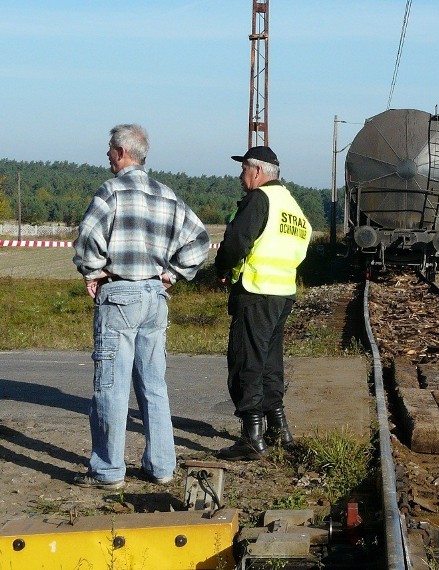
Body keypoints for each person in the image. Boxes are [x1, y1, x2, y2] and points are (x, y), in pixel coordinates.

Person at [72, 124, 210, 490]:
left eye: (109, 150)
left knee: (111, 385)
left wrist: (93, 272)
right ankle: (162, 466)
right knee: (153, 384)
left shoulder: (111, 191)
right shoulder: (167, 195)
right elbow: (199, 240)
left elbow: (87, 238)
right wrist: (174, 273)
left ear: (121, 153)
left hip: (119, 296)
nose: (107, 156)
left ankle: (107, 470)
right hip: (154, 297)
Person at [214, 145, 312, 461]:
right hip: (282, 293)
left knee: (246, 361)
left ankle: (251, 437)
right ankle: (278, 428)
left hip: (255, 291)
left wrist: (222, 268)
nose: (241, 176)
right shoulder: (292, 206)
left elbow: (236, 242)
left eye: (243, 169)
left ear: (256, 171)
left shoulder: (260, 199)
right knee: (270, 362)